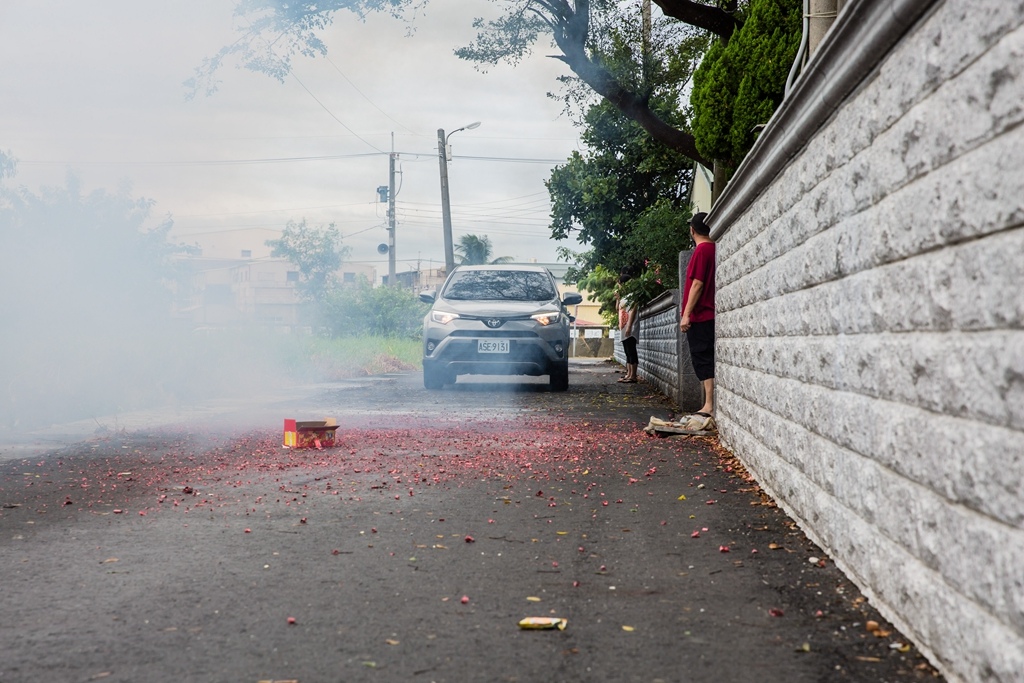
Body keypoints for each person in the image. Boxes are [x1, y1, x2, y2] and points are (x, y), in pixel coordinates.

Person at [679, 212, 716, 416]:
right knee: (705, 357)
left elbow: (697, 284)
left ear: (692, 230)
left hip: (701, 315)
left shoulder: (702, 251)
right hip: (708, 313)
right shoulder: (713, 249)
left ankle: (709, 405)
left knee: (702, 358)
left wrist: (686, 314)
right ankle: (708, 404)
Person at [617, 269, 639, 383]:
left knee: (631, 350)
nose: (619, 286)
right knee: (627, 350)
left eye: (620, 284)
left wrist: (629, 326)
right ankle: (629, 374)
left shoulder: (632, 296)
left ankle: (633, 376)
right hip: (623, 326)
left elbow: (633, 312)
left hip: (629, 326)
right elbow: (618, 309)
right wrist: (618, 298)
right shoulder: (625, 296)